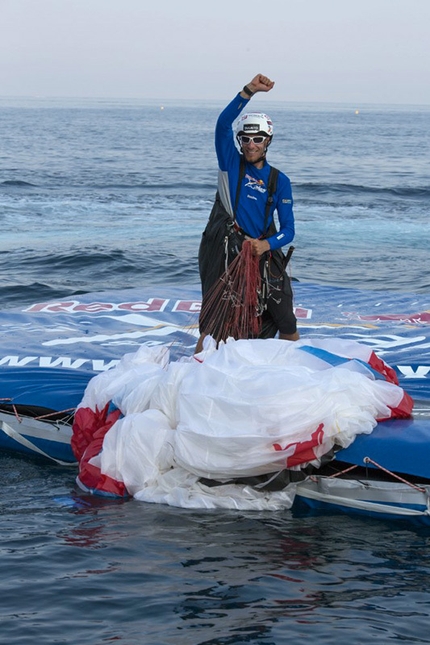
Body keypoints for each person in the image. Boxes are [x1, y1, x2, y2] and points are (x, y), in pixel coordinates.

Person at [196, 73, 299, 354]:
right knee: (214, 319)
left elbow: (288, 231)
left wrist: (265, 245)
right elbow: (221, 126)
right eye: (246, 138)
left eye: (258, 139)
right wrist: (249, 91)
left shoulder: (280, 181)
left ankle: (292, 374)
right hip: (226, 250)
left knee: (284, 315)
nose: (251, 144)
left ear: (268, 141)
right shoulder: (230, 164)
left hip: (263, 252)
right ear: (240, 141)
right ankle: (196, 373)